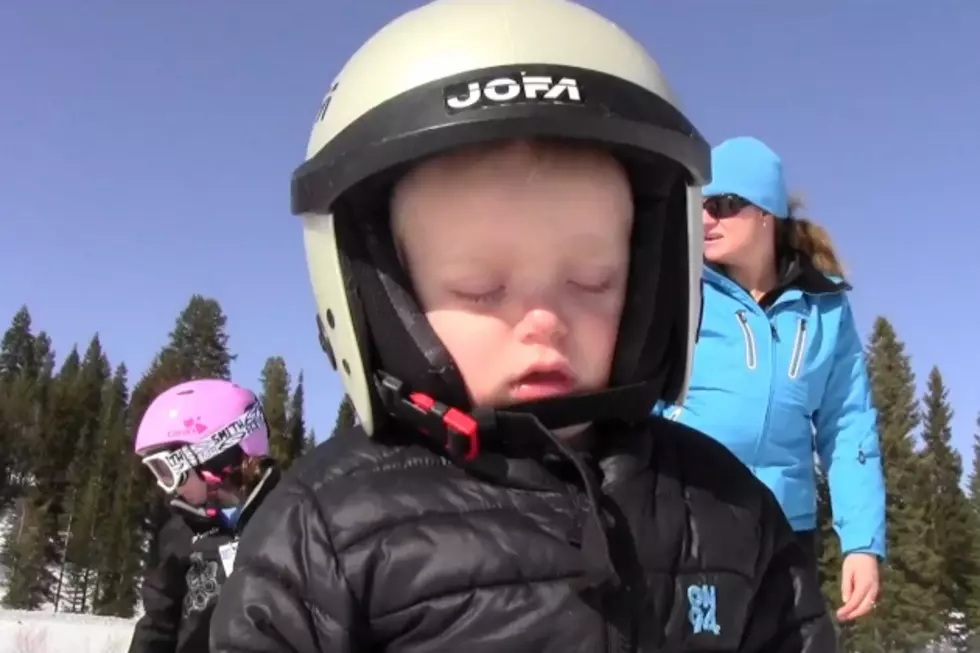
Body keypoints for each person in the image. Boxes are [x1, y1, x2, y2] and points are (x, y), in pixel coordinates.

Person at [209, 1, 836, 651]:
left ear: (655, 279)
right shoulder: (322, 533)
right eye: (481, 287)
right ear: (382, 294)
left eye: (592, 281)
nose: (545, 322)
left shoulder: (727, 510)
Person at [664, 135, 886, 623]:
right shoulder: (681, 291)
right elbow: (647, 403)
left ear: (766, 212)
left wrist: (862, 543)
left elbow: (847, 424)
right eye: (700, 205)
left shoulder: (823, 308)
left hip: (787, 528)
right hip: (695, 516)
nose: (706, 219)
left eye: (724, 205)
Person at [127, 378, 280, 653]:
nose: (167, 485)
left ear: (215, 458)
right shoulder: (179, 533)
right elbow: (157, 626)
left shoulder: (290, 521)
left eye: (166, 469)